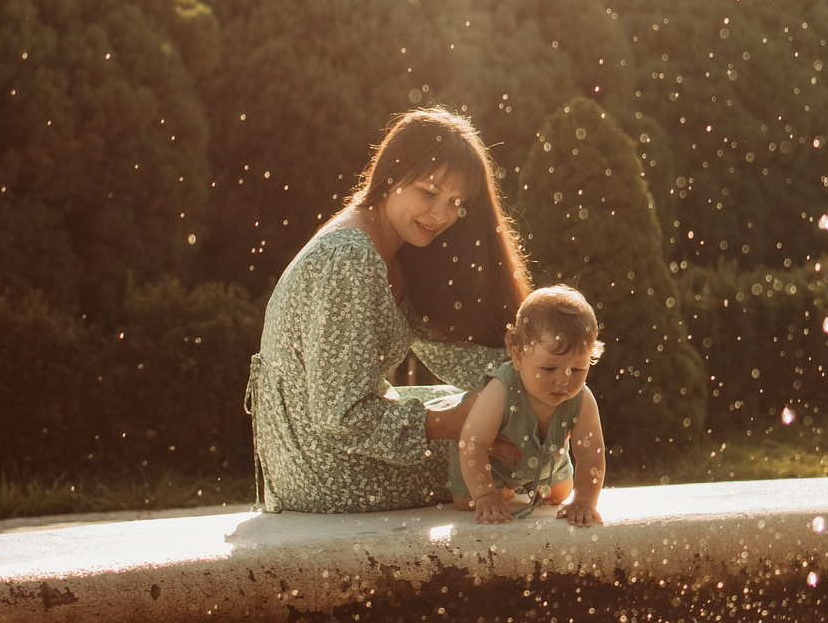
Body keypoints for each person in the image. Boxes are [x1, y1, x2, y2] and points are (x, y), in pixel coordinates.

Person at [247, 110, 530, 513]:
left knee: (501, 413)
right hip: (320, 468)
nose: (442, 215)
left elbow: (449, 350)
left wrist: (531, 381)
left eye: (455, 202)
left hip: (323, 448)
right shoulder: (350, 257)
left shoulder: (396, 245)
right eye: (429, 192)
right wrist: (453, 423)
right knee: (498, 444)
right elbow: (339, 413)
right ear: (391, 175)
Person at [450, 285, 610, 526]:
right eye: (549, 368)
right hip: (492, 466)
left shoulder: (581, 398)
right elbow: (472, 443)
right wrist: (485, 496)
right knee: (466, 501)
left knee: (559, 496)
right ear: (518, 357)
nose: (563, 380)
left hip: (546, 461)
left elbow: (591, 453)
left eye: (577, 369)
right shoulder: (502, 390)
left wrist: (585, 501)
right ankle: (501, 489)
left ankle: (523, 485)